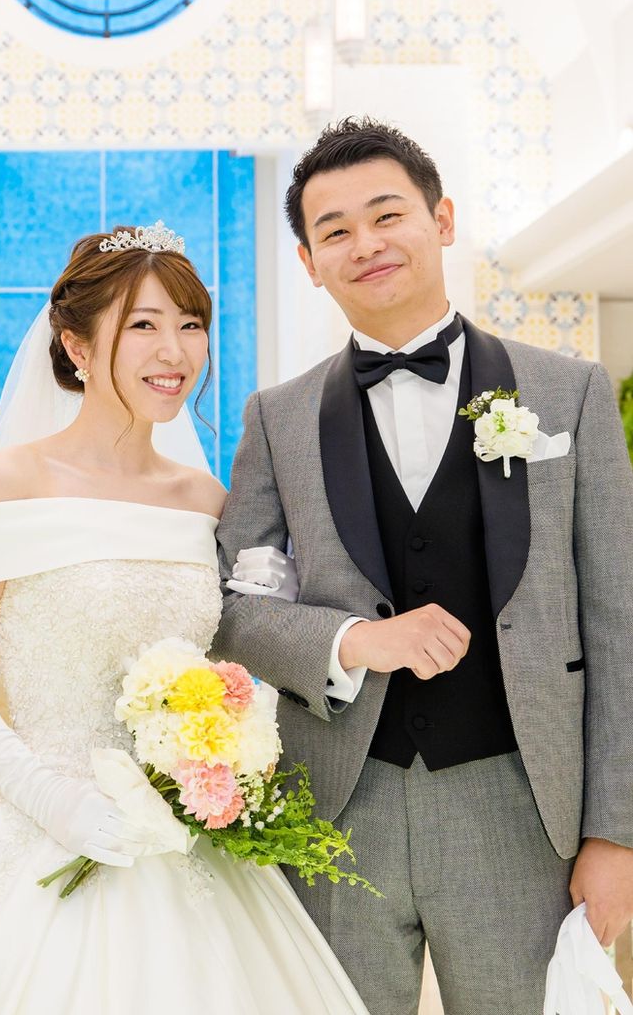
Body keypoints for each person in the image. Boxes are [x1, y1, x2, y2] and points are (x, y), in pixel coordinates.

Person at [0, 224, 370, 1013]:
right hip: (42, 825)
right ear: (77, 346)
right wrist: (49, 796)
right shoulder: (11, 481)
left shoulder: (205, 500)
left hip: (187, 838)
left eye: (190, 325)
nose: (174, 351)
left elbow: (241, 643)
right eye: (143, 325)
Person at [215, 117, 633, 1015]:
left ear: (441, 220)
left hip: (521, 808)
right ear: (309, 262)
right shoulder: (276, 418)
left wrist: (616, 834)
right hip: (335, 808)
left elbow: (619, 622)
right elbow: (234, 614)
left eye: (386, 214)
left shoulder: (570, 393)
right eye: (334, 231)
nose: (364, 244)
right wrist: (352, 641)